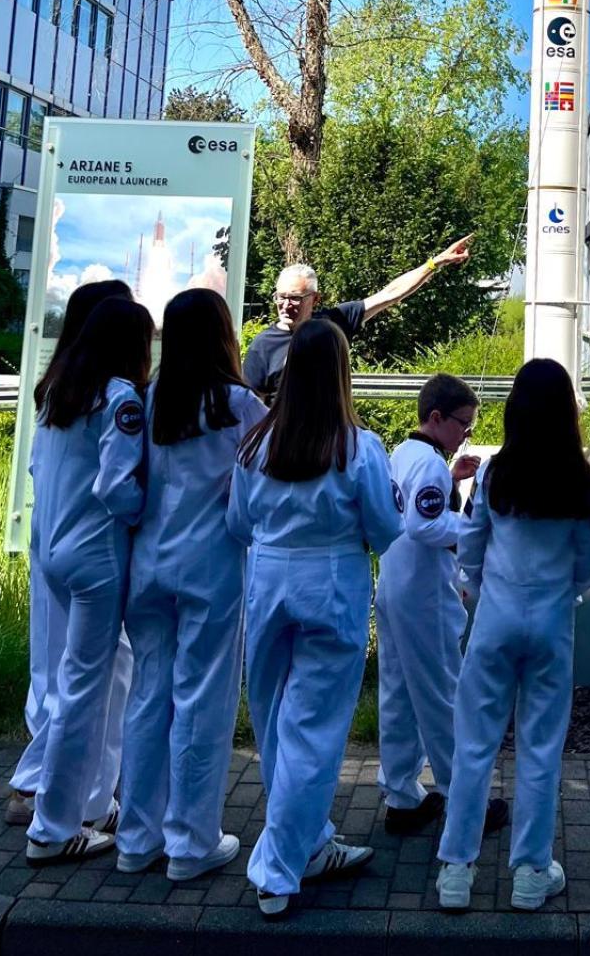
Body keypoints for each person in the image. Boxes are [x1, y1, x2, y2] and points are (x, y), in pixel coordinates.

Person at [227, 319, 403, 918]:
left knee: (276, 723)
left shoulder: (256, 445)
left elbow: (237, 525)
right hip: (331, 584)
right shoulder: (358, 447)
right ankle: (279, 867)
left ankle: (310, 842)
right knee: (314, 730)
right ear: (340, 374)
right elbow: (385, 531)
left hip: (269, 580)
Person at [436, 359, 590, 913]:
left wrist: (482, 590)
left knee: (475, 745)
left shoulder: (494, 472)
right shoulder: (581, 483)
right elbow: (589, 566)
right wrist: (562, 594)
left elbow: (473, 543)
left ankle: (456, 871)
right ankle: (531, 873)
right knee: (540, 748)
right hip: (553, 623)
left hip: (495, 621)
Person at [118, 289, 267, 880]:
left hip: (147, 566)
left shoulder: (146, 400)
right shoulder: (240, 405)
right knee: (201, 702)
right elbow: (254, 496)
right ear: (224, 336)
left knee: (147, 698)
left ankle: (135, 839)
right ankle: (190, 842)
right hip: (213, 570)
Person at [24, 297, 153, 865]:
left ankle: (95, 802)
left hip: (53, 552)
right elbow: (116, 487)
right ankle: (52, 827)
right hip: (96, 561)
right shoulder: (121, 398)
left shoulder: (58, 393)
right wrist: (145, 511)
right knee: (82, 691)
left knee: (99, 676)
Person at [375, 373, 509, 838]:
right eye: (463, 424)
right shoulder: (430, 464)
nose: (466, 434)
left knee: (398, 694)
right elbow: (425, 526)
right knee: (444, 696)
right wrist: (474, 528)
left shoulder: (405, 453)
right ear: (437, 418)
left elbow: (411, 509)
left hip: (394, 585)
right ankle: (464, 797)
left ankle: (401, 793)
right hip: (423, 597)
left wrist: (450, 480)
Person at [242, 238, 474, 401]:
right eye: (280, 297)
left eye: (294, 298)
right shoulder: (263, 346)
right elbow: (252, 409)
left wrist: (435, 263)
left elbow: (391, 294)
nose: (285, 305)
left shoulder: (332, 323)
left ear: (315, 299)